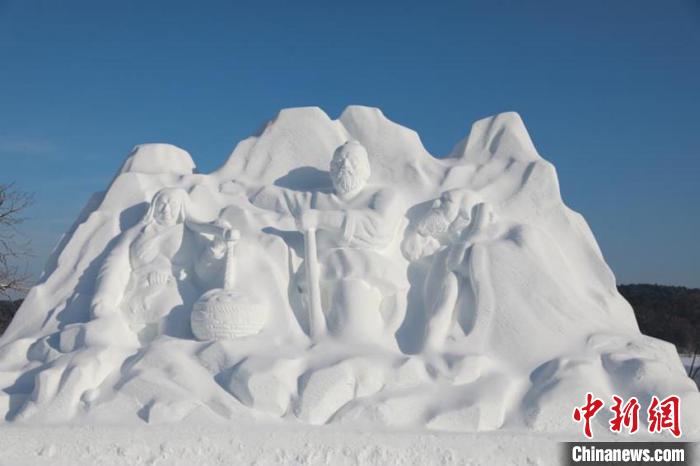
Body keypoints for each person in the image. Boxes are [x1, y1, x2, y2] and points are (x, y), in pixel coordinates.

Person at [251, 141, 408, 345]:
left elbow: (378, 228)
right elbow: (283, 200)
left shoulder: (383, 195)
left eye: (353, 161)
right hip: (316, 279)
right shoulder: (318, 198)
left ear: (366, 169)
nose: (345, 167)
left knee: (353, 334)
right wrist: (245, 192)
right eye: (338, 162)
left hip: (361, 276)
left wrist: (321, 219)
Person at [403, 189, 496, 353]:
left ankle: (429, 351)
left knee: (439, 315)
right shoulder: (445, 248)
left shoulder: (461, 248)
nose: (437, 204)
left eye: (446, 201)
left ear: (463, 217)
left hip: (450, 275)